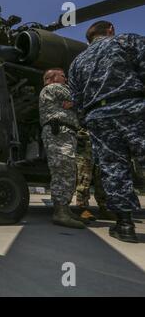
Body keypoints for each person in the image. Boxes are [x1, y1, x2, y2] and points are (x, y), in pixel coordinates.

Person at [68, 21, 145, 243]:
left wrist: (88, 119)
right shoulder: (126, 40)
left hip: (98, 117)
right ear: (110, 29)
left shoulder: (76, 62)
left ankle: (125, 226)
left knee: (113, 169)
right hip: (132, 107)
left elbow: (76, 100)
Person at [39, 68, 86, 229]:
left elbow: (75, 101)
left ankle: (65, 209)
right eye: (63, 76)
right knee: (63, 169)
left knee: (68, 169)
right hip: (58, 132)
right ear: (51, 78)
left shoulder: (57, 90)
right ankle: (60, 212)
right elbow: (81, 97)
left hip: (65, 133)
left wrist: (73, 104)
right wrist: (75, 102)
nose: (66, 79)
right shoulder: (52, 88)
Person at [75, 128, 116, 221]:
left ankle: (104, 209)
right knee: (83, 179)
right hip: (85, 147)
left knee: (102, 178)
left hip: (100, 146)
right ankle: (83, 210)